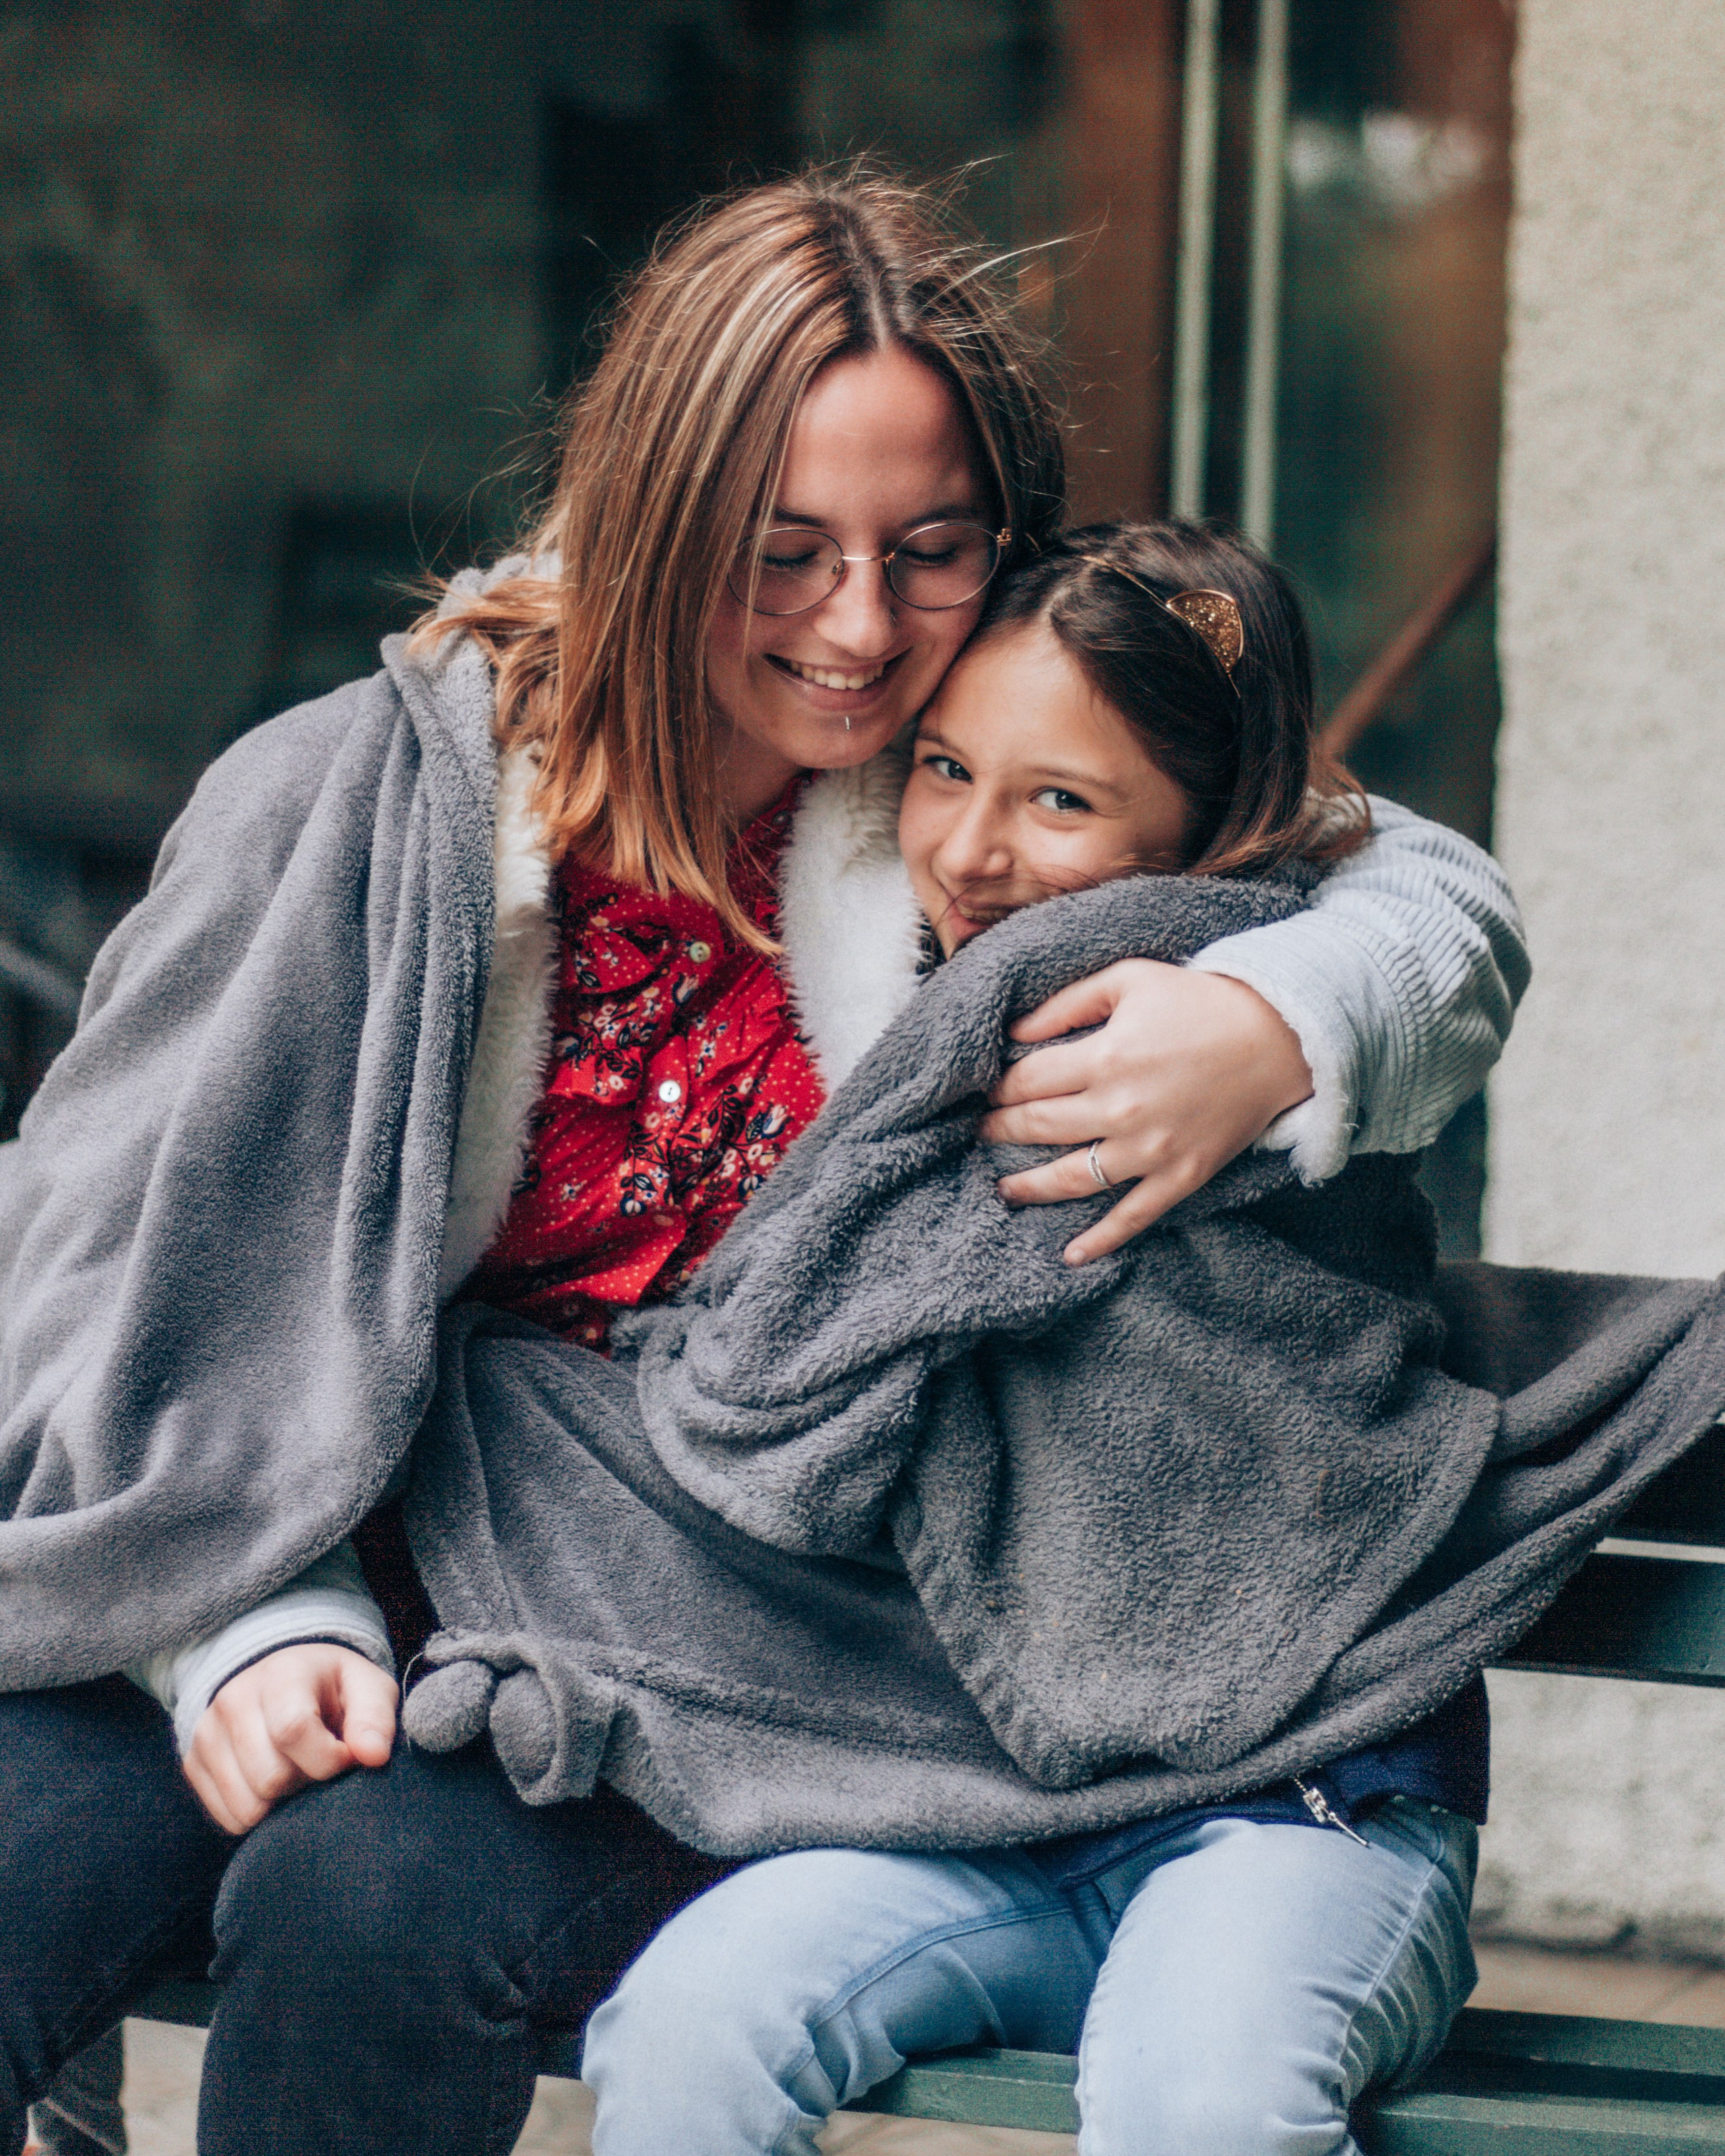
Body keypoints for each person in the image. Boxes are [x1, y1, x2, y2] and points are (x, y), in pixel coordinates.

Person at [0, 173, 1524, 2156]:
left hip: (697, 1648)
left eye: (935, 549)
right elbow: (99, 1287)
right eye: (779, 553)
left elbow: (1402, 877)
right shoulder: (365, 806)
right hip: (274, 1547)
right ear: (648, 516)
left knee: (365, 1905)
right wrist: (258, 1623)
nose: (862, 628)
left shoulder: (982, 773)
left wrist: (1284, 1021)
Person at [577, 518, 1485, 2156]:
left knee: (1197, 2103)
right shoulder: (868, 996)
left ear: (1215, 828)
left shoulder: (1229, 1006)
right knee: (687, 2029)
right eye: (940, 769)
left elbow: (1423, 918)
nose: (971, 852)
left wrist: (1268, 1030)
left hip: (1299, 1805)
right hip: (967, 1806)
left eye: (1059, 801)